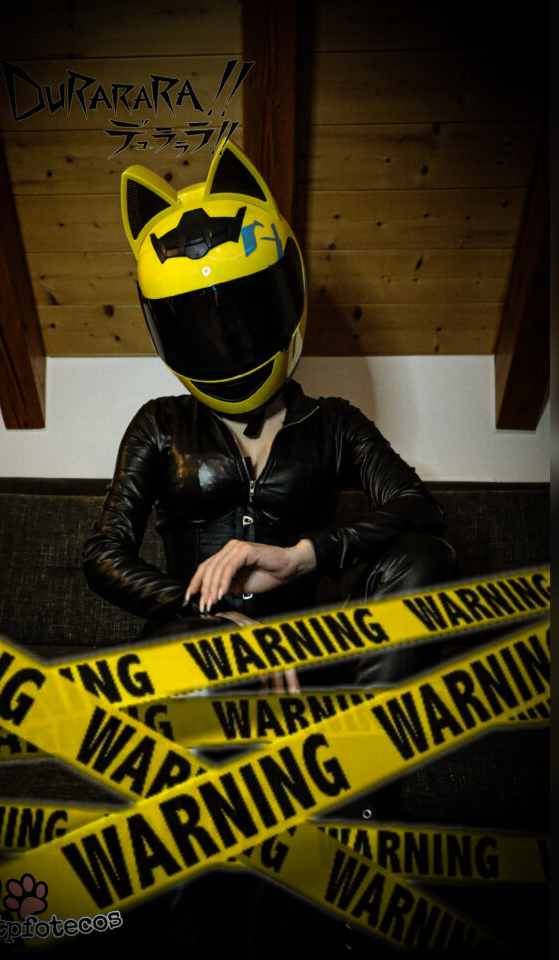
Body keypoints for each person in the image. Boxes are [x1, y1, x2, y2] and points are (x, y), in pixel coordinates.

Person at [81, 140, 458, 958]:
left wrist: (303, 557)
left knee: (425, 558)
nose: (225, 339)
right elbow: (102, 554)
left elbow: (419, 511)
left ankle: (355, 811)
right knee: (199, 682)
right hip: (193, 647)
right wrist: (215, 616)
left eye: (242, 314)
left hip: (308, 655)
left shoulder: (336, 424)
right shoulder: (158, 424)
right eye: (200, 323)